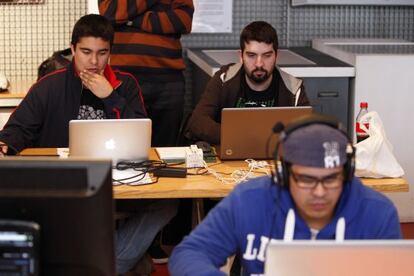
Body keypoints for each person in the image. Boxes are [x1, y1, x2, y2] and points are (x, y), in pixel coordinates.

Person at [0, 14, 177, 275]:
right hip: (67, 185)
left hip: (122, 177)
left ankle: (103, 264)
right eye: (86, 52)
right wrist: (4, 145)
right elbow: (17, 131)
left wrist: (111, 97)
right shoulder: (49, 86)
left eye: (102, 53)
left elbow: (141, 132)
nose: (94, 62)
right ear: (72, 49)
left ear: (110, 53)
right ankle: (120, 263)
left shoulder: (125, 84)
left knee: (169, 202)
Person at [169, 114, 402, 275]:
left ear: (348, 173)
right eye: (306, 179)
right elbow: (190, 253)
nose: (320, 192)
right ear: (283, 175)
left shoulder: (377, 214)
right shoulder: (249, 200)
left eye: (331, 179)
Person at [185, 21, 310, 145]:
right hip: (229, 158)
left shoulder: (294, 88)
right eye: (251, 55)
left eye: (267, 55)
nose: (259, 64)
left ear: (276, 56)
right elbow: (197, 122)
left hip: (274, 160)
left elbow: (309, 131)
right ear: (241, 56)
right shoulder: (224, 78)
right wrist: (242, 138)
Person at [98, 0, 194, 147]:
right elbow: (110, 12)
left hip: (168, 79)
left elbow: (183, 20)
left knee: (166, 153)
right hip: (124, 79)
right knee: (124, 147)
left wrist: (130, 19)